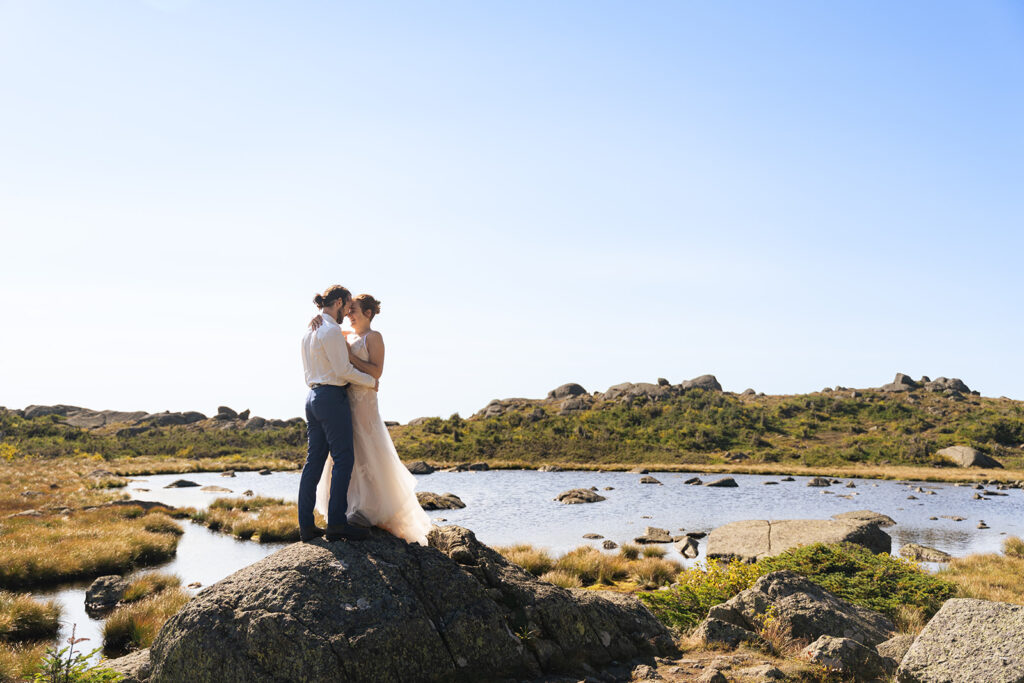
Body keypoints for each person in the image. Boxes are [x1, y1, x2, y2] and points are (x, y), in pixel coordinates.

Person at [312, 294, 432, 545]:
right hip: (344, 403)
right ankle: (347, 510)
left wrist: (350, 356)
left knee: (368, 451)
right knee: (345, 456)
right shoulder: (343, 334)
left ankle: (369, 509)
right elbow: (327, 330)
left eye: (353, 310)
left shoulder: (374, 337)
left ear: (368, 313)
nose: (349, 314)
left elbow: (377, 372)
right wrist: (315, 319)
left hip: (364, 403)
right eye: (348, 310)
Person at [299, 285, 378, 543]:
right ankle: (336, 525)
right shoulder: (330, 329)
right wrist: (369, 382)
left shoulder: (309, 330)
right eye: (347, 305)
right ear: (340, 302)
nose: (348, 311)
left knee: (314, 463)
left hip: (312, 397)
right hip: (332, 398)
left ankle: (307, 527)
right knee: (344, 460)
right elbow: (343, 370)